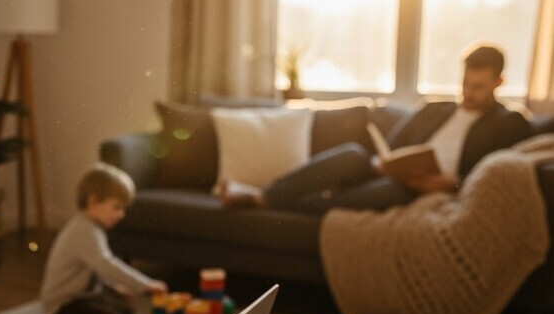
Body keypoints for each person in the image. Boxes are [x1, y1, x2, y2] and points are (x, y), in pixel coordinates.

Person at [220, 44, 532, 213]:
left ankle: (279, 203)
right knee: (352, 154)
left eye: (478, 87)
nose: (468, 93)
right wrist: (388, 161)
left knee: (390, 191)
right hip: (393, 171)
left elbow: (493, 173)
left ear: (499, 82)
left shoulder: (509, 122)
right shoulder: (435, 109)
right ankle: (265, 194)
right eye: (465, 84)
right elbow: (393, 143)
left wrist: (453, 184)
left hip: (425, 187)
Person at [34, 163, 168, 314]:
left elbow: (96, 270)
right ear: (93, 201)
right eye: (116, 207)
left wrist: (115, 288)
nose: (121, 215)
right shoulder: (84, 231)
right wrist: (145, 284)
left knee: (125, 310)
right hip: (64, 303)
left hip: (84, 295)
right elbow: (107, 264)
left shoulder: (92, 228)